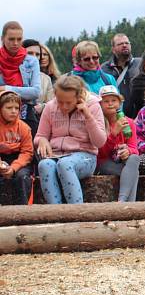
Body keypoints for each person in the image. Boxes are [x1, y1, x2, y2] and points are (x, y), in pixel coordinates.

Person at [35, 75, 106, 204]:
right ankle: (56, 212)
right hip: (56, 155)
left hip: (85, 156)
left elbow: (100, 142)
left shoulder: (93, 106)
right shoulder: (50, 107)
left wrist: (88, 116)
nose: (64, 106)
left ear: (79, 98)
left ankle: (76, 211)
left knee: (65, 164)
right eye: (60, 101)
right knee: (44, 165)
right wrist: (42, 140)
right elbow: (40, 136)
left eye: (68, 102)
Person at [96, 85, 140, 202]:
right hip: (104, 162)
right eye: (106, 101)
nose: (110, 104)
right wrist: (114, 133)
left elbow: (134, 148)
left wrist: (128, 151)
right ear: (100, 104)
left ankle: (122, 202)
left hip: (122, 161)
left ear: (120, 103)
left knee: (134, 159)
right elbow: (101, 152)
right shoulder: (99, 123)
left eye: (114, 100)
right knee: (133, 173)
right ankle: (127, 204)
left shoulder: (129, 122)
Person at [0, 21, 41, 134]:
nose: (16, 43)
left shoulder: (31, 61)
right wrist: (23, 92)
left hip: (25, 113)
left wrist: (6, 89)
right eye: (11, 39)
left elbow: (36, 92)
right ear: (2, 39)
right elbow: (30, 91)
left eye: (19, 39)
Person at [0, 91, 33, 205]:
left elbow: (27, 152)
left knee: (22, 177)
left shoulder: (24, 128)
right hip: (1, 159)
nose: (13, 111)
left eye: (16, 108)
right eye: (9, 108)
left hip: (19, 160)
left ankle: (22, 210)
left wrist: (13, 168)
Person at [100, 34, 141, 101]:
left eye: (127, 43)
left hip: (138, 110)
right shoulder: (104, 69)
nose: (124, 45)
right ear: (113, 49)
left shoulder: (140, 64)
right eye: (120, 44)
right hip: (115, 110)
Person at [24, 40, 60, 114]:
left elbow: (52, 103)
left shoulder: (46, 79)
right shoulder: (11, 73)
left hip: (37, 120)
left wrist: (43, 107)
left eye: (37, 54)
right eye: (30, 53)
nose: (34, 57)